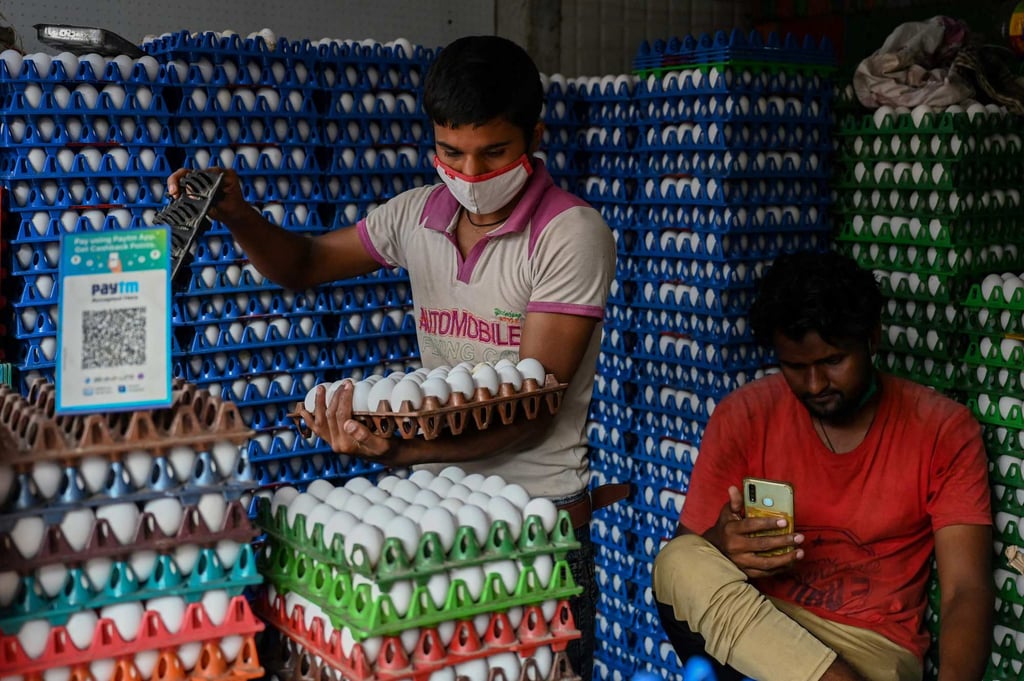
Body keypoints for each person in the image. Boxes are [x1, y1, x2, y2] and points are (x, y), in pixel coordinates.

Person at [168, 35, 618, 679]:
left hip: (537, 527)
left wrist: (396, 450)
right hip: (439, 519)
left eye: (494, 153)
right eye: (450, 152)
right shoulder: (418, 215)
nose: (471, 174)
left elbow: (531, 413)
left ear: (534, 137)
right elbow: (303, 264)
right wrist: (238, 214)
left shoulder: (569, 233)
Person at [651, 251, 993, 681]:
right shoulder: (745, 415)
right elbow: (691, 567)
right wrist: (722, 544)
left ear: (872, 338)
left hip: (870, 648)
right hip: (763, 632)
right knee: (676, 560)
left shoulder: (943, 429)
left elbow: (967, 590)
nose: (815, 385)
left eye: (832, 362)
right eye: (795, 367)